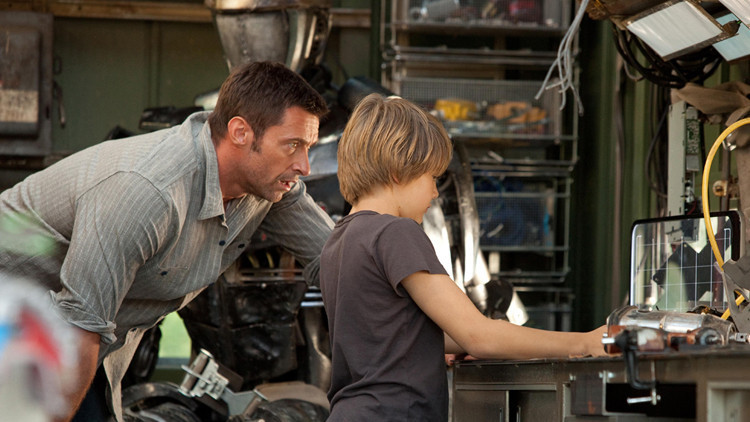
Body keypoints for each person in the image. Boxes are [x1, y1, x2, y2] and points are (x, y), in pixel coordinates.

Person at [0, 61, 334, 421]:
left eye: (308, 147)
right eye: (292, 145)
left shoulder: (268, 185)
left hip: (73, 344)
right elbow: (80, 326)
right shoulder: (148, 194)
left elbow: (339, 261)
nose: (304, 166)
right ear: (240, 132)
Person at [319, 93, 608, 421]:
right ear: (399, 170)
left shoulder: (338, 240)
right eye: (432, 177)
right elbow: (479, 336)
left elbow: (392, 336)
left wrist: (466, 341)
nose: (435, 192)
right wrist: (584, 343)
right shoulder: (395, 233)